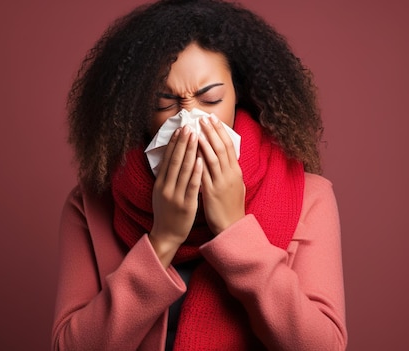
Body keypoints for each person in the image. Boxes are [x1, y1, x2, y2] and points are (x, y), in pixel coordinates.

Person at [51, 0, 347, 350]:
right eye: (165, 103)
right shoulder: (91, 203)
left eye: (210, 99)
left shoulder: (309, 196)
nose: (189, 121)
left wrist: (236, 233)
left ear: (239, 95)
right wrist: (162, 241)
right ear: (137, 109)